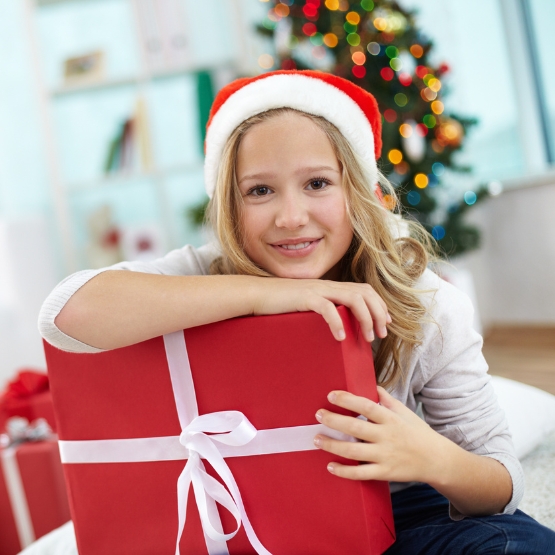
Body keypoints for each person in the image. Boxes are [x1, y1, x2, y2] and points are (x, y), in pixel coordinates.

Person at [39, 70, 555, 554]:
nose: (290, 217)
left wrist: (432, 458)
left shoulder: (424, 302)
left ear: (358, 192)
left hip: (404, 514)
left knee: (517, 542)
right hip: (247, 517)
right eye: (259, 191)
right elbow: (65, 314)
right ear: (228, 206)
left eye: (317, 184)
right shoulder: (203, 269)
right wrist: (267, 296)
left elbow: (500, 485)